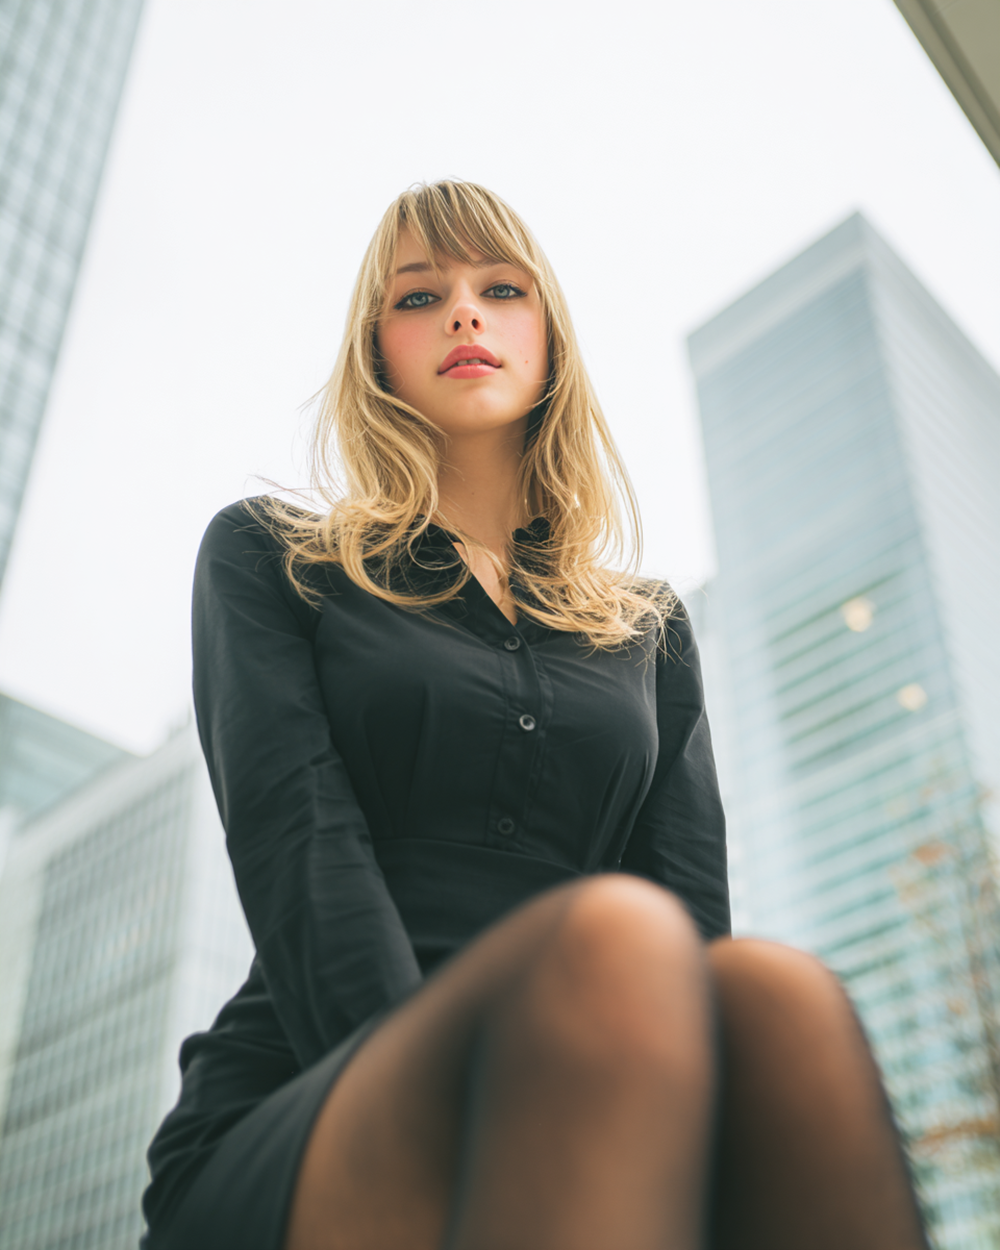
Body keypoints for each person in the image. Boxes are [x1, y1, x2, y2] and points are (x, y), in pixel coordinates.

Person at [140, 180, 929, 1250]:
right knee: (613, 936)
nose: (463, 312)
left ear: (550, 339)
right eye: (420, 296)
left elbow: (690, 916)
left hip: (598, 1074)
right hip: (322, 1086)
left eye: (501, 289)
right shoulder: (271, 555)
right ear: (375, 350)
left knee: (776, 995)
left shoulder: (648, 627)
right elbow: (297, 840)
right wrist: (430, 1088)